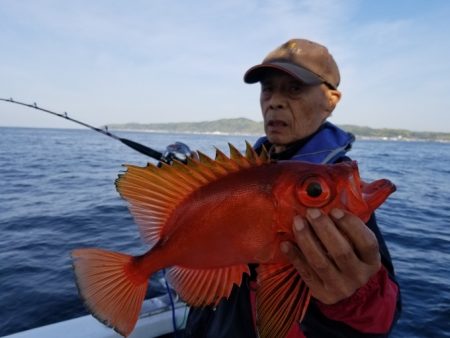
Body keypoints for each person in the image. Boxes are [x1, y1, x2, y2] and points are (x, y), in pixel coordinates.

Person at [183, 38, 401, 338]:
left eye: (294, 89)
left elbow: (381, 318)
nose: (274, 101)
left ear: (331, 100)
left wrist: (355, 298)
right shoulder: (242, 174)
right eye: (267, 88)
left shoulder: (329, 195)